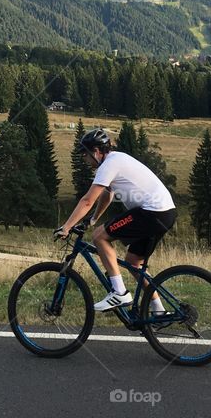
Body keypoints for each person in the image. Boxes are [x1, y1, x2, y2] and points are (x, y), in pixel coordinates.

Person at [55, 128, 177, 312]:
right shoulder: (116, 159)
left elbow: (88, 200)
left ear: (96, 151)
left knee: (99, 237)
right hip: (165, 213)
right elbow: (107, 194)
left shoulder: (108, 165)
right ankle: (158, 310)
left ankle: (119, 292)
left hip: (152, 212)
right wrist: (94, 218)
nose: (85, 160)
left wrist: (66, 226)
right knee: (134, 262)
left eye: (85, 155)